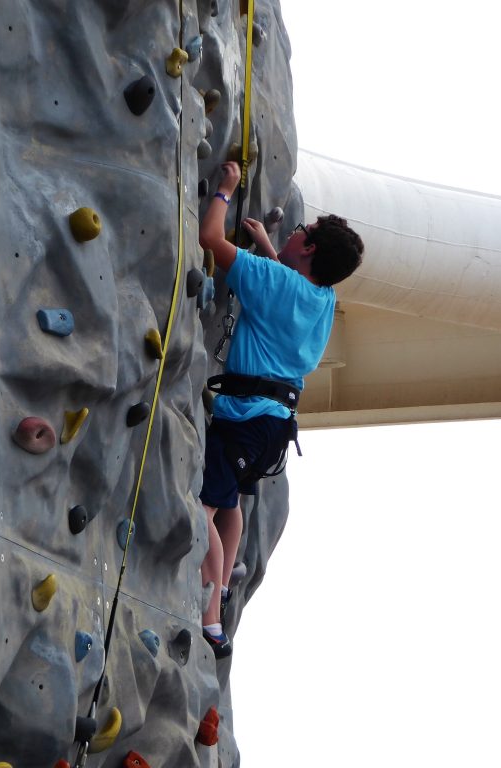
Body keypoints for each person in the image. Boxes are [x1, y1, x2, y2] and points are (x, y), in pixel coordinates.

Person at [198, 161, 364, 658]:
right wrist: (269, 245)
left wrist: (225, 192)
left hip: (244, 417)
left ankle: (211, 617)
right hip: (272, 425)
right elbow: (286, 286)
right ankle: (224, 585)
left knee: (204, 506)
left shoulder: (272, 281)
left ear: (308, 248)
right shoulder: (324, 298)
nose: (294, 233)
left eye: (301, 232)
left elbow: (209, 238)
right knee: (232, 505)